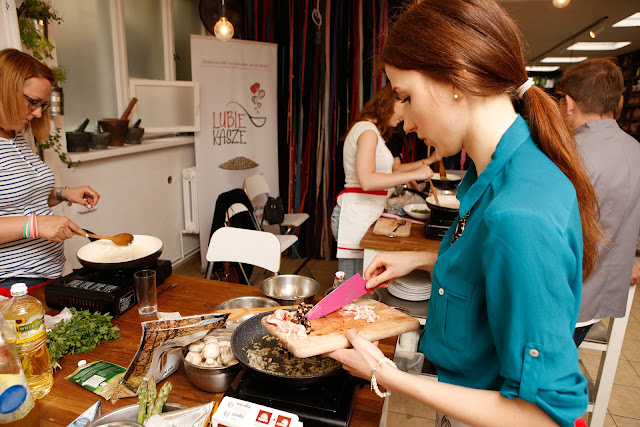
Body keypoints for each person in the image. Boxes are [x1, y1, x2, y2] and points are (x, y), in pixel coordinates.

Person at [326, 1, 602, 426]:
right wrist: (422, 259)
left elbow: (540, 417)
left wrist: (386, 374)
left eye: (406, 97)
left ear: (454, 79)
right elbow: (488, 263)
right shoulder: (496, 172)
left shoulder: (521, 215)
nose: (407, 122)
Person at [555, 58, 640, 346]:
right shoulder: (635, 151)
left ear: (569, 103)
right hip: (600, 296)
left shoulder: (567, 153)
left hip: (560, 295)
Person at [0, 49, 99, 295]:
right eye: (32, 102)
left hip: (46, 274)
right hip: (12, 284)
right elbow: (28, 219)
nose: (37, 113)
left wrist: (63, 193)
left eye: (42, 104)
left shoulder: (15, 135)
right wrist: (33, 226)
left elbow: (20, 200)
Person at [331, 84, 435, 279]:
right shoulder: (367, 131)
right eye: (406, 107)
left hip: (363, 213)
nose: (405, 118)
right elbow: (367, 181)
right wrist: (414, 174)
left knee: (361, 282)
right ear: (393, 101)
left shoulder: (372, 132)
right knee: (352, 287)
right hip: (355, 215)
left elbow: (387, 172)